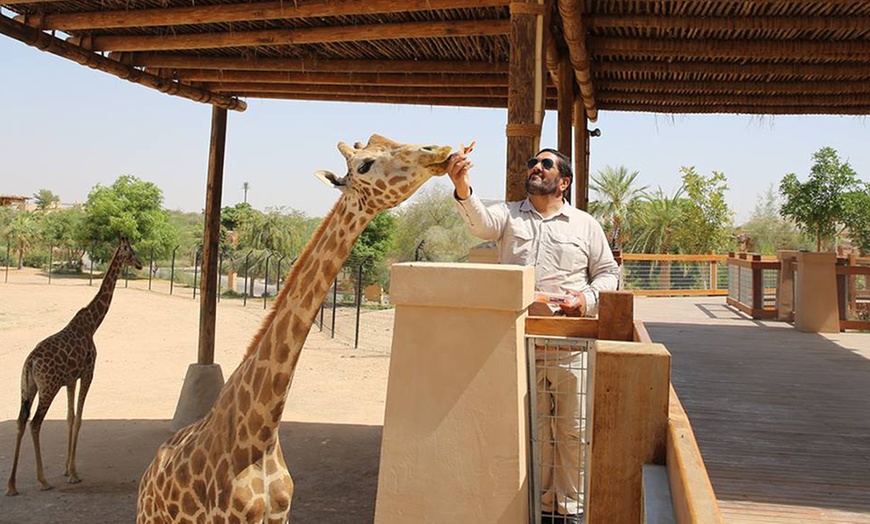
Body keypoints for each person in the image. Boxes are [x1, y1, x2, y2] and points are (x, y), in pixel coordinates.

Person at [446, 145, 620, 524]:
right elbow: (479, 223)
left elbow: (608, 273)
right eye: (533, 164)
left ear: (564, 182)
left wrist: (585, 299)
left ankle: (570, 512)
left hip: (570, 346)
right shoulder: (508, 216)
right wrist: (462, 186)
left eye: (546, 164)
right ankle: (539, 511)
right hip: (519, 346)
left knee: (572, 432)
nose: (536, 168)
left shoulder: (585, 225)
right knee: (532, 432)